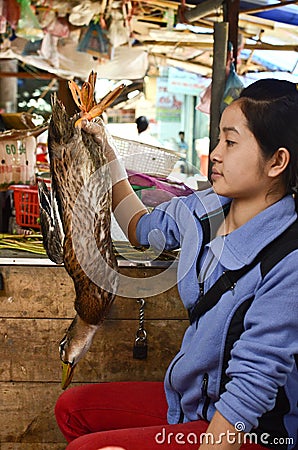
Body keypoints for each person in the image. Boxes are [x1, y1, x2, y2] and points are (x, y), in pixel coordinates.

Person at [55, 79, 298, 450]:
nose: (215, 153)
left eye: (230, 143)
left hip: (251, 432)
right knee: (72, 409)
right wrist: (105, 150)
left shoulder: (288, 258)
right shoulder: (202, 211)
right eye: (218, 139)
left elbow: (252, 388)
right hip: (191, 404)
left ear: (277, 161)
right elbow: (140, 228)